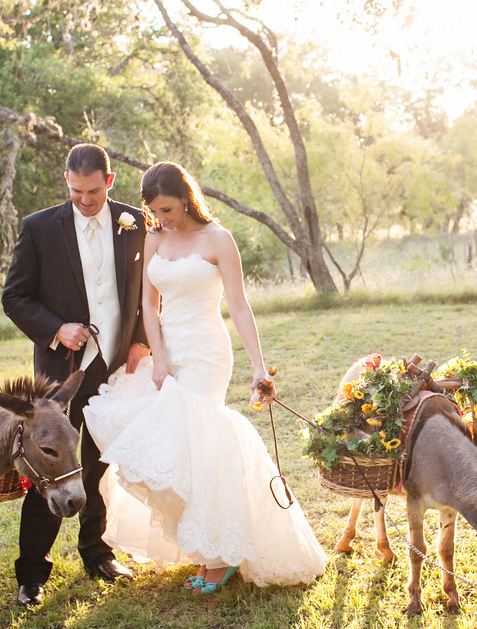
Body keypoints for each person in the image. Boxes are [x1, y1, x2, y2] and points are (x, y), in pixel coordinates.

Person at [84, 162, 326, 593]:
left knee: (202, 444)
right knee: (175, 450)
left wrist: (257, 366)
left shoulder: (219, 239)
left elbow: (239, 305)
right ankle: (205, 551)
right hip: (169, 349)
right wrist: (159, 358)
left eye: (170, 209)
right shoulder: (154, 236)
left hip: (206, 352)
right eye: (156, 210)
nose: (164, 218)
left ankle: (220, 559)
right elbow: (148, 307)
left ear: (186, 197)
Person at [2, 143, 149, 605]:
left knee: (99, 463)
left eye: (91, 191)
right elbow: (15, 297)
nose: (84, 200)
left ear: (109, 181)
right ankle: (32, 574)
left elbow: (148, 290)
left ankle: (97, 552)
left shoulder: (136, 223)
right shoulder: (39, 228)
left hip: (114, 365)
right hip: (59, 375)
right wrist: (56, 329)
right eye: (74, 191)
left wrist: (141, 337)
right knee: (49, 467)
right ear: (65, 180)